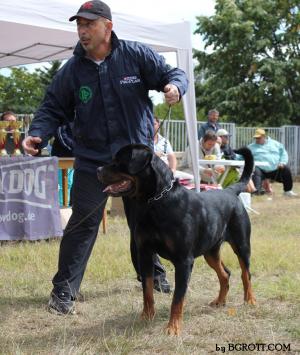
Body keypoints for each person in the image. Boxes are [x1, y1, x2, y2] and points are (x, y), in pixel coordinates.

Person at [22, 0, 188, 315]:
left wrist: (175, 87)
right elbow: (51, 107)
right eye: (79, 25)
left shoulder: (136, 55)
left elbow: (173, 73)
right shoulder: (71, 70)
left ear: (107, 27)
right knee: (83, 222)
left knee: (145, 220)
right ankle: (64, 292)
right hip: (93, 162)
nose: (82, 31)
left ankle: (153, 276)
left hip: (136, 163)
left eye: (89, 24)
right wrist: (37, 133)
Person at [248, 128, 297, 197]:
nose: (257, 139)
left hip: (275, 169)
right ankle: (257, 193)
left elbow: (283, 154)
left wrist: (282, 162)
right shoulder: (250, 147)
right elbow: (242, 156)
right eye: (256, 138)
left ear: (264, 136)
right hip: (260, 170)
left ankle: (288, 191)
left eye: (259, 138)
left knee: (286, 169)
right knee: (255, 170)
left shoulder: (276, 144)